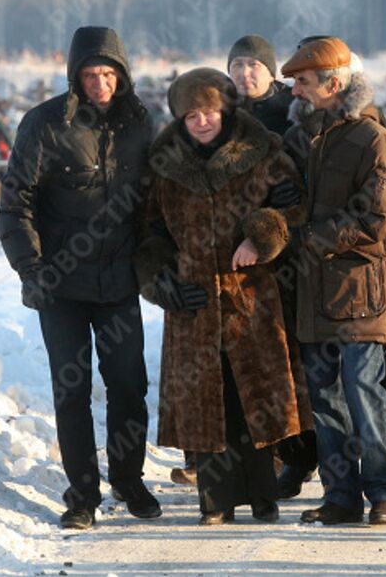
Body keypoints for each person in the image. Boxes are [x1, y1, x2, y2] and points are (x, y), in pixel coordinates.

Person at [0, 26, 160, 529]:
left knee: (130, 386)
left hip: (118, 284)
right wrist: (32, 269)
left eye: (109, 73)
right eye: (91, 74)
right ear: (75, 75)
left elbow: (155, 205)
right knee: (72, 390)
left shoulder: (139, 123)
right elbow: (15, 202)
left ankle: (129, 481)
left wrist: (158, 266)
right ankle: (82, 496)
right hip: (61, 286)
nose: (101, 83)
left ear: (123, 74)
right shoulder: (45, 123)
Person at [135, 67, 312, 525]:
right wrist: (160, 282)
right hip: (192, 300)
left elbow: (294, 207)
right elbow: (148, 233)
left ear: (226, 109)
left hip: (251, 294)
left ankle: (264, 497)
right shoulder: (163, 162)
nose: (201, 121)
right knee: (207, 403)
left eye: (209, 111)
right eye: (191, 114)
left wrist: (263, 236)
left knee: (253, 399)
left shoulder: (264, 149)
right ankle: (214, 502)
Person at [280, 37, 386, 525]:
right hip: (313, 294)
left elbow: (377, 220)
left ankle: (384, 492)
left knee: (364, 393)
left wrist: (305, 238)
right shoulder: (307, 139)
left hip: (361, 295)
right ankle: (341, 496)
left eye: (303, 81)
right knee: (326, 402)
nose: (295, 91)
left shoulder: (376, 141)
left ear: (334, 84)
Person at [227, 33, 317, 500]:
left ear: (270, 70)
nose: (246, 74)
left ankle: (300, 456)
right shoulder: (218, 114)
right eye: (238, 65)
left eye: (254, 65)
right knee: (246, 361)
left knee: (290, 360)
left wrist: (275, 225)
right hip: (233, 258)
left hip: (286, 254)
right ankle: (254, 458)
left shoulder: (290, 110)